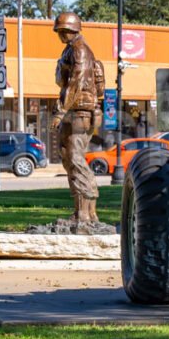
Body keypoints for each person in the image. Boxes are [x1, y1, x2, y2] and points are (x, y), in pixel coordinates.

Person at [50, 12, 103, 230]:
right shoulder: (72, 49)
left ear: (69, 30)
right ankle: (82, 212)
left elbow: (76, 82)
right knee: (68, 157)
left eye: (61, 31)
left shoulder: (80, 50)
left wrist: (61, 112)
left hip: (79, 111)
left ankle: (85, 214)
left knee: (75, 158)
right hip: (76, 110)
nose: (60, 35)